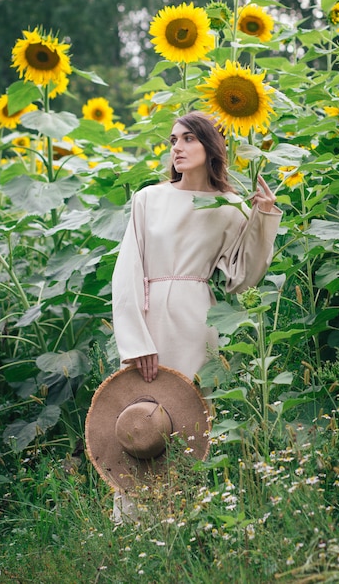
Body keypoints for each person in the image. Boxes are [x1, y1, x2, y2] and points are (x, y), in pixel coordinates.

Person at [111, 111, 282, 384]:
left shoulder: (230, 206)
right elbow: (125, 273)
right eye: (174, 140)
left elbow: (241, 279)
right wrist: (136, 343)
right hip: (149, 318)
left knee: (194, 410)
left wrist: (263, 214)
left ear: (212, 145)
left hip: (197, 320)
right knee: (143, 415)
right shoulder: (148, 199)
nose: (177, 147)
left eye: (188, 139)